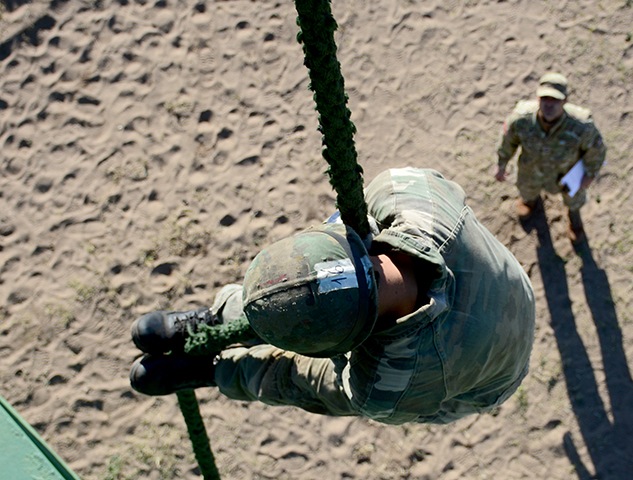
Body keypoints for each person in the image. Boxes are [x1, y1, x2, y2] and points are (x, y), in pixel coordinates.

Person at [130, 167, 535, 425]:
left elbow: (315, 376)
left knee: (298, 380)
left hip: (488, 374)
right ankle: (223, 320)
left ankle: (221, 370)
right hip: (509, 282)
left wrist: (235, 370)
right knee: (301, 295)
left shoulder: (392, 384)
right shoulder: (405, 193)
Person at [495, 72, 606, 241]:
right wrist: (501, 164)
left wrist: (589, 174)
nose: (549, 104)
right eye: (545, 98)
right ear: (537, 97)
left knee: (574, 200)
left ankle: (574, 218)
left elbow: (596, 150)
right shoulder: (521, 119)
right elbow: (508, 141)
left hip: (567, 174)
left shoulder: (581, 125)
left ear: (566, 100)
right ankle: (529, 202)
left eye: (555, 99)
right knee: (527, 189)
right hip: (531, 170)